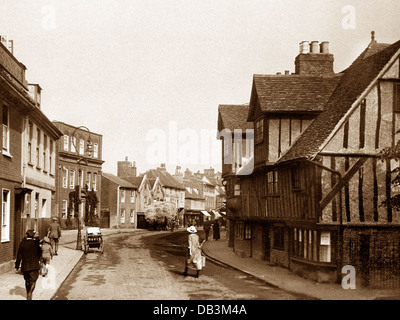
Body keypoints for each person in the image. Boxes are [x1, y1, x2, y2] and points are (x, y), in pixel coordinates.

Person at [15, 230, 42, 300]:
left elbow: (19, 255)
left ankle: (28, 293)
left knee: (27, 281)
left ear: (26, 235)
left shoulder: (22, 243)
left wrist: (17, 266)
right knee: (33, 280)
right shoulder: (36, 243)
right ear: (33, 235)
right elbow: (40, 252)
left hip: (25, 265)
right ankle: (30, 293)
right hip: (34, 265)